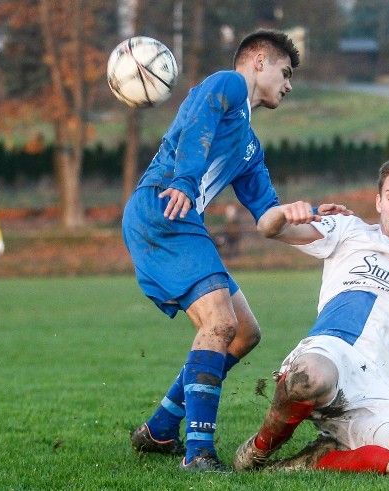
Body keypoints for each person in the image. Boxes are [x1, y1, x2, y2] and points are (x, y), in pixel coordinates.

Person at [122, 29, 345, 473]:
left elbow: (267, 221)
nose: (289, 83)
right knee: (220, 323)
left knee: (244, 332)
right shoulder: (226, 84)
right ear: (258, 61)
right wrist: (185, 180)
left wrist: (329, 232)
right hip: (162, 207)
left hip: (179, 217)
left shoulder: (249, 148)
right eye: (285, 72)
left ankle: (162, 427)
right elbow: (200, 123)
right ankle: (199, 454)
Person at [233, 158, 389, 475]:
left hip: (382, 389)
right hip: (333, 355)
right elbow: (268, 227)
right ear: (379, 201)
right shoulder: (347, 229)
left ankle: (311, 461)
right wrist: (284, 211)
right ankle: (258, 451)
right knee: (308, 375)